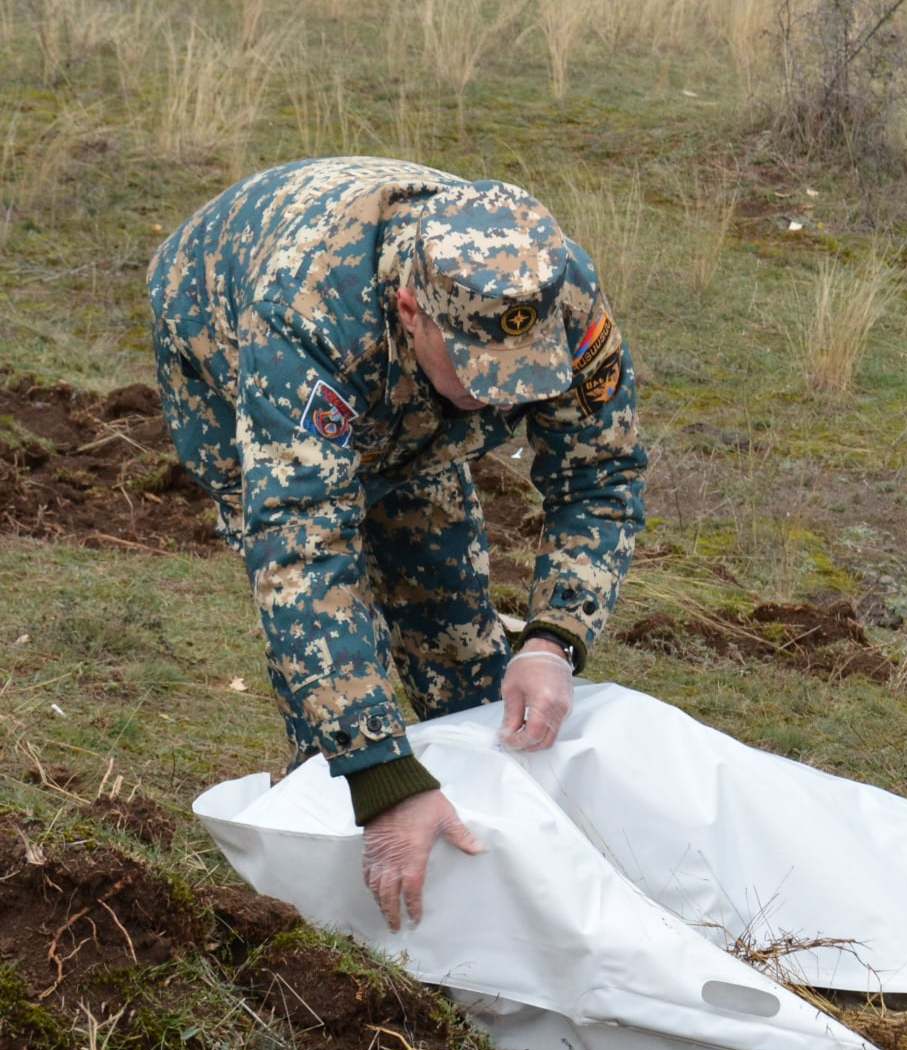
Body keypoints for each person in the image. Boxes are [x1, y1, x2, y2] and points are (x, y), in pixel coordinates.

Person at [149, 158, 647, 934]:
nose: (504, 397)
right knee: (338, 712)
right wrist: (381, 775)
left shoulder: (556, 292)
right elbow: (303, 552)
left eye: (523, 376)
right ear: (413, 310)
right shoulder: (305, 318)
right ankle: (330, 890)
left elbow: (601, 477)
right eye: (481, 372)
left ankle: (497, 875)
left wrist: (554, 638)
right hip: (218, 321)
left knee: (459, 639)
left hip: (398, 386)